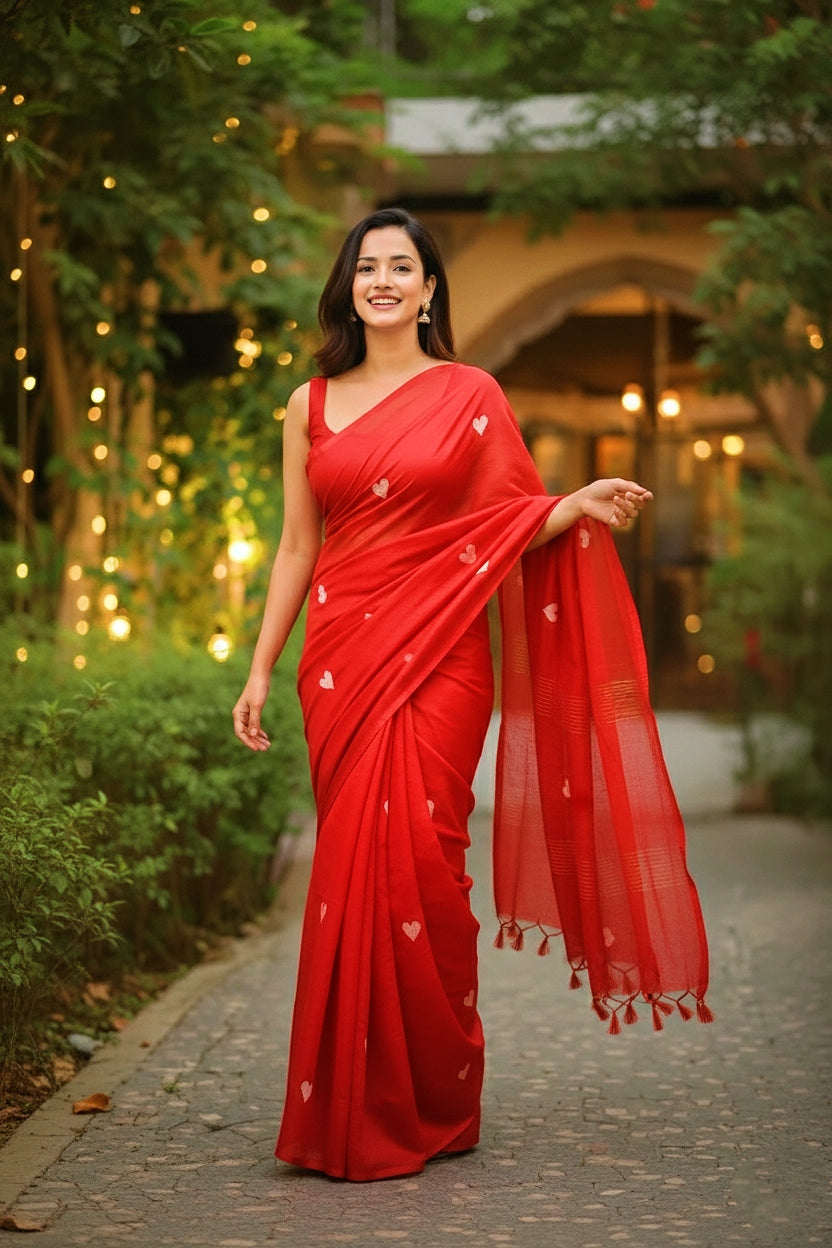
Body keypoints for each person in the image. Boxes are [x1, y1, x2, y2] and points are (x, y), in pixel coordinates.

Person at [232, 207, 712, 1183]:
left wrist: (566, 507)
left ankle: (437, 1098)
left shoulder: (468, 393)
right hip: (341, 664)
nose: (381, 282)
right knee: (351, 875)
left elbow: (502, 518)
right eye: (366, 267)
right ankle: (347, 1106)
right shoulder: (308, 404)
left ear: (428, 288)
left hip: (442, 657)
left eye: (399, 267)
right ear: (348, 285)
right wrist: (257, 665)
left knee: (425, 871)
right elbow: (296, 545)